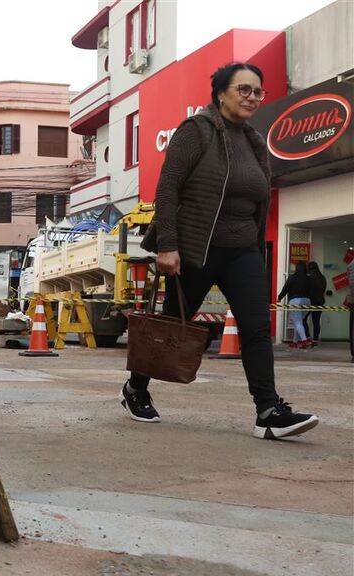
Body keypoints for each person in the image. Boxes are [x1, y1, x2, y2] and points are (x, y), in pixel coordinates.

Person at [123, 62, 318, 440]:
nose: (252, 97)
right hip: (199, 247)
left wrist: (258, 249)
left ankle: (268, 410)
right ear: (220, 93)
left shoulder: (255, 142)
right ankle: (135, 388)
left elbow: (259, 201)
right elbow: (167, 189)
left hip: (243, 250)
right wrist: (168, 245)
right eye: (243, 89)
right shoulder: (196, 131)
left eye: (257, 91)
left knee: (257, 329)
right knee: (173, 324)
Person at [277, 261, 312, 349]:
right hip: (307, 302)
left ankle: (304, 341)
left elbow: (286, 288)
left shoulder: (292, 278)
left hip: (295, 301)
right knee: (299, 322)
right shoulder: (309, 278)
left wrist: (279, 297)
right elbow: (312, 291)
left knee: (298, 322)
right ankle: (295, 341)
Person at [303, 261, 327, 347]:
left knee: (303, 319)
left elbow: (307, 289)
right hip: (320, 301)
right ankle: (315, 340)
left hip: (310, 302)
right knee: (316, 321)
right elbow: (323, 289)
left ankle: (308, 337)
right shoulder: (322, 277)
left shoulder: (309, 277)